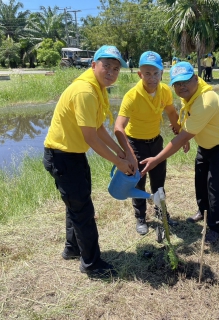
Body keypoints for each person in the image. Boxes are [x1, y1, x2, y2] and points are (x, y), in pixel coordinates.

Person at [43, 45, 133, 278]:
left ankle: (72, 249)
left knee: (77, 204)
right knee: (83, 210)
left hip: (73, 154)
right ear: (94, 65)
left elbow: (99, 127)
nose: (111, 72)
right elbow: (90, 137)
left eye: (116, 68)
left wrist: (121, 151)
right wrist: (120, 162)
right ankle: (91, 264)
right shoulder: (85, 91)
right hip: (62, 156)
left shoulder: (97, 88)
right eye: (106, 66)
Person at [140, 62, 219, 244]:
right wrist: (182, 128)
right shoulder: (189, 94)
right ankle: (203, 211)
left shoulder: (206, 101)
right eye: (177, 84)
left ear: (195, 78)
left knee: (215, 186)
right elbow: (187, 117)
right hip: (205, 143)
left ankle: (216, 227)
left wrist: (156, 159)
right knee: (200, 180)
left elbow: (180, 139)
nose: (181, 86)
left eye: (185, 81)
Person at [114, 51, 179, 235]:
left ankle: (161, 212)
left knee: (159, 182)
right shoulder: (131, 96)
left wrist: (179, 131)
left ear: (162, 74)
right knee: (138, 183)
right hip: (135, 144)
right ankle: (141, 217)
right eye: (147, 73)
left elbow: (172, 113)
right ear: (140, 74)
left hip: (156, 142)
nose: (152, 78)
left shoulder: (165, 90)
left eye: (156, 73)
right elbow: (119, 127)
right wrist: (128, 153)